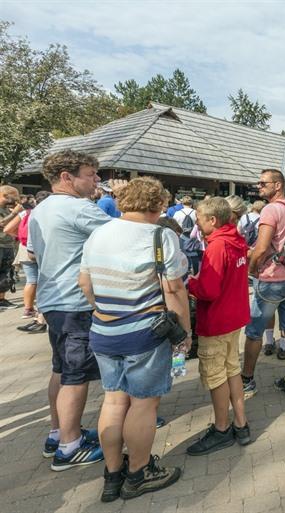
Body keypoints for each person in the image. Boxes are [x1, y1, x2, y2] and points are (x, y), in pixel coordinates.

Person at [79, 177, 188, 501]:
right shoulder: (161, 235)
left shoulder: (99, 233)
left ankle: (112, 474)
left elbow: (85, 282)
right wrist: (184, 331)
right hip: (144, 332)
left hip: (104, 330)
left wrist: (106, 310)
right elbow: (174, 289)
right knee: (143, 404)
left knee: (113, 401)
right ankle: (139, 472)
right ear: (159, 204)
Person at [27, 149, 112, 470]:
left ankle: (57, 432)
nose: (96, 181)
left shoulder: (41, 208)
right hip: (76, 302)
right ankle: (69, 446)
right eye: (90, 175)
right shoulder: (77, 208)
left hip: (53, 301)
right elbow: (122, 234)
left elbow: (34, 253)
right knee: (76, 375)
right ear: (67, 177)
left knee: (61, 370)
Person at [186, 197, 252, 455]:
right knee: (232, 369)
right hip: (235, 316)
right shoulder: (237, 240)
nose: (197, 224)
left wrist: (191, 284)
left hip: (217, 319)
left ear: (212, 220)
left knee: (216, 376)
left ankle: (222, 428)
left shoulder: (217, 246)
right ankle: (241, 422)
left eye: (200, 219)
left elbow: (209, 290)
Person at [243, 169, 285, 398]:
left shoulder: (270, 209)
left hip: (272, 277)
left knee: (254, 331)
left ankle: (247, 379)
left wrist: (251, 271)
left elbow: (261, 247)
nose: (258, 187)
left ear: (277, 185)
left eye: (262, 183)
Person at [5, 190, 51, 333]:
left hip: (26, 250)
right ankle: (40, 317)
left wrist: (20, 237)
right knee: (43, 284)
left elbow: (7, 228)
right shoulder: (48, 214)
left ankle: (30, 311)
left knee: (31, 281)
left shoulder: (26, 213)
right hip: (43, 250)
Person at [0, 185, 22, 309]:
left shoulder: (7, 209)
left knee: (5, 273)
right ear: (5, 196)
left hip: (8, 245)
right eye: (13, 196)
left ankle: (2, 299)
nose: (15, 199)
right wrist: (14, 213)